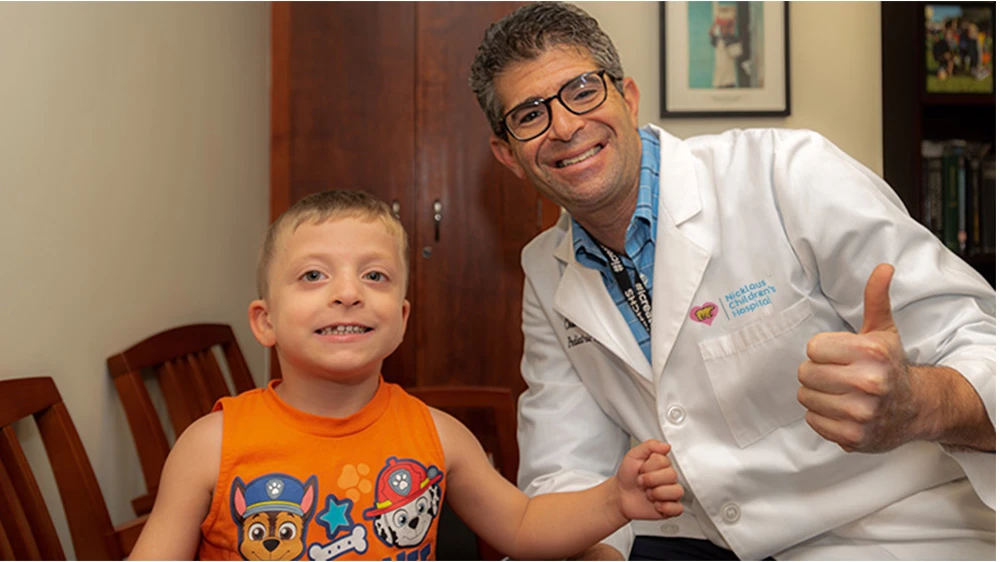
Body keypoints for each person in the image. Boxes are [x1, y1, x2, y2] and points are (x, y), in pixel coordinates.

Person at [468, 2, 996, 560]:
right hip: (700, 540)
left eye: (582, 91)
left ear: (627, 97)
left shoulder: (788, 173)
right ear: (508, 156)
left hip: (887, 529)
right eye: (530, 115)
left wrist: (916, 404)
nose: (566, 126)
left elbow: (983, 344)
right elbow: (566, 470)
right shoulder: (545, 269)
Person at [127, 190, 684, 560]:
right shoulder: (211, 446)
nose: (348, 293)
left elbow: (522, 526)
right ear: (265, 320)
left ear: (400, 319)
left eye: (374, 275)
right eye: (314, 275)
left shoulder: (436, 435)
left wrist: (613, 500)